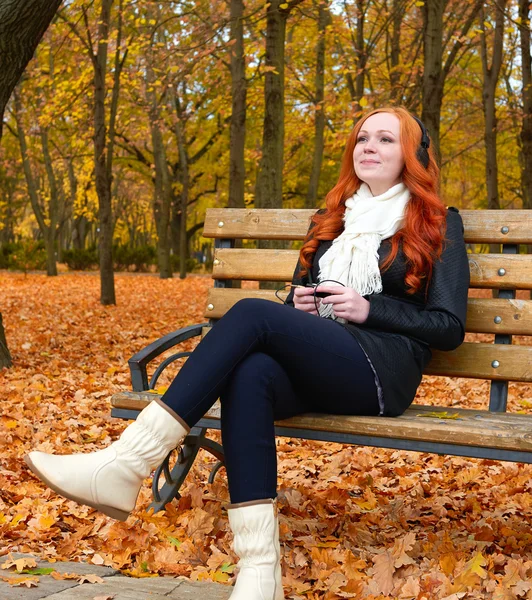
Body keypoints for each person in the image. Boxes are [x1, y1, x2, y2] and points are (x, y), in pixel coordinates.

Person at [24, 107, 470, 600]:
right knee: (250, 373)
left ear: (411, 154)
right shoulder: (332, 221)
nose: (368, 146)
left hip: (383, 370)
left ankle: (128, 463)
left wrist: (369, 309)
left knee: (252, 315)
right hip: (323, 358)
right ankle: (260, 572)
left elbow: (448, 328)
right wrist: (298, 302)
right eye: (362, 137)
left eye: (385, 139)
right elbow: (295, 305)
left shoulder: (437, 223)